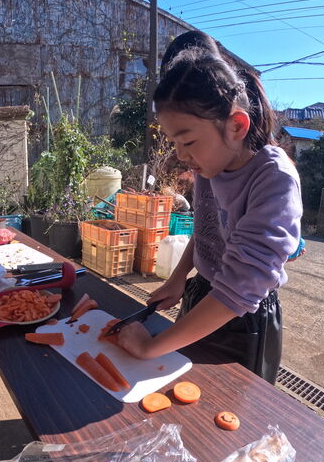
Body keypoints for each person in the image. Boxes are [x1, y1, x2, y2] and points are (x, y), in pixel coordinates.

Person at [116, 32, 302, 384]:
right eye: (174, 142)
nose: (181, 155)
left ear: (236, 125)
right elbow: (206, 230)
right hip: (201, 294)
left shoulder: (273, 176)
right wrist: (177, 280)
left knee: (226, 411)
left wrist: (149, 347)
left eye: (187, 141)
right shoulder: (210, 165)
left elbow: (238, 291)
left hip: (242, 319)